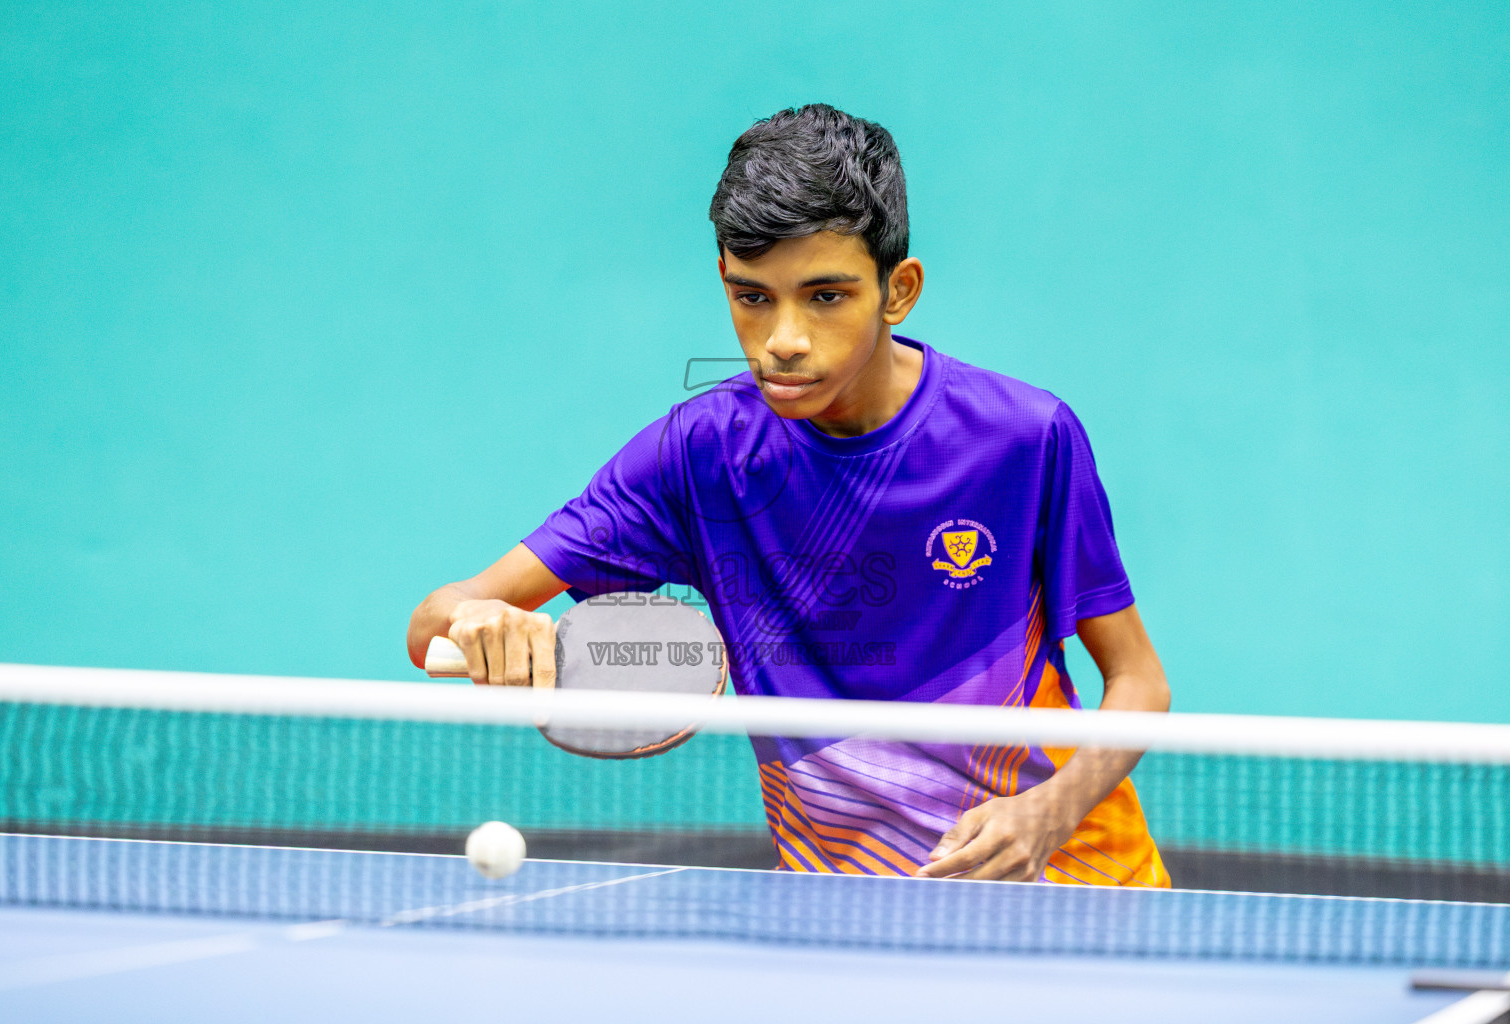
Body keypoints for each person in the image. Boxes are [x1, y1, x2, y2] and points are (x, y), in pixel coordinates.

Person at [408, 104, 1172, 885]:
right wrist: (481, 619)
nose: (784, 338)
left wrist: (1046, 814)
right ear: (724, 281)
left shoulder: (1023, 437)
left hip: (1073, 885)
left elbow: (1140, 679)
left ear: (898, 289)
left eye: (826, 297)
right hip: (850, 911)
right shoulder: (699, 456)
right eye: (753, 297)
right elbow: (436, 618)